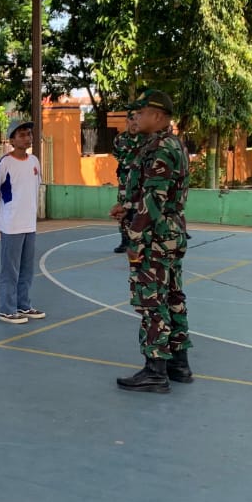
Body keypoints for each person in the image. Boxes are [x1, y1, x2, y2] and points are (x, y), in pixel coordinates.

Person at [111, 89, 192, 393]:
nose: (137, 118)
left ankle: (155, 369)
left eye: (141, 113)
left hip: (154, 236)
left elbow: (155, 199)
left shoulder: (160, 148)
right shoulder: (170, 145)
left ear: (158, 116)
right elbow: (156, 194)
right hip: (169, 232)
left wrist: (134, 235)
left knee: (152, 301)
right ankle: (178, 363)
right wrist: (128, 208)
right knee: (172, 297)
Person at [0, 119, 46, 325]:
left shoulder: (34, 161)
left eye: (28, 134)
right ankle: (7, 308)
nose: (27, 138)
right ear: (12, 140)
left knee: (27, 268)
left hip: (29, 223)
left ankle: (23, 304)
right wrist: (6, 209)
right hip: (11, 224)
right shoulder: (4, 162)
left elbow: (34, 188)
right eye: (21, 135)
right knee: (10, 269)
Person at [111, 109, 141, 253]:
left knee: (139, 210)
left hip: (140, 181)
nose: (135, 123)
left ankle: (138, 241)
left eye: (137, 119)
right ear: (127, 121)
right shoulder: (119, 139)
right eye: (132, 120)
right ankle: (124, 240)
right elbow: (117, 156)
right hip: (124, 181)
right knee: (123, 210)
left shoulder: (145, 139)